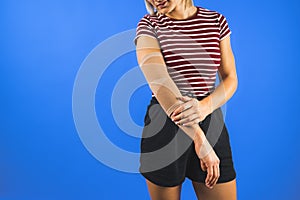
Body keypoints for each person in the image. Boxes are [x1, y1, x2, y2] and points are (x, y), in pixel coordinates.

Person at [134, 0, 238, 199]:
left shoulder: (216, 21)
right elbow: (160, 82)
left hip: (208, 117)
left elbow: (230, 78)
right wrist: (200, 140)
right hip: (165, 121)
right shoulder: (149, 25)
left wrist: (204, 108)